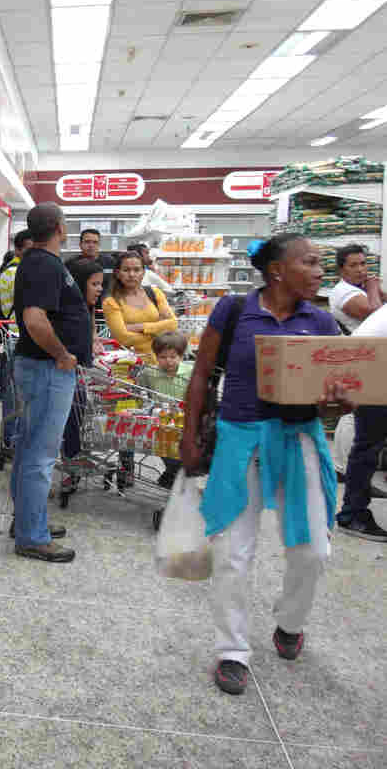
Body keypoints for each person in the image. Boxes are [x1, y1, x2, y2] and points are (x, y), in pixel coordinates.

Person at [179, 234, 350, 696]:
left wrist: (339, 402)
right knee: (234, 553)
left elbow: (338, 401)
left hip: (299, 441)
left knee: (314, 549)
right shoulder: (234, 312)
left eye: (321, 264)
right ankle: (232, 650)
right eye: (311, 262)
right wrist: (188, 434)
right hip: (241, 442)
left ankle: (290, 622)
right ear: (278, 270)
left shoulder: (321, 322)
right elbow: (200, 377)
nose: (320, 272)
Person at [10, 203, 89, 563]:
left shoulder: (38, 262)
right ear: (60, 227)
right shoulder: (43, 263)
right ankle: (31, 536)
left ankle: (28, 521)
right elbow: (35, 320)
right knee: (40, 456)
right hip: (47, 369)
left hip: (39, 367)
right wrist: (62, 354)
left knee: (29, 449)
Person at [102, 250, 179, 487]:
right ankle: (126, 469)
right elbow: (121, 335)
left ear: (143, 271)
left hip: (159, 368)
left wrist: (141, 327)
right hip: (129, 370)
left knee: (164, 420)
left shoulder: (153, 293)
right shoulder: (111, 302)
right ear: (117, 273)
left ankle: (172, 469)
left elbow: (173, 324)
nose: (132, 274)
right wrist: (156, 327)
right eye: (126, 269)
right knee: (129, 419)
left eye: (137, 269)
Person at [337, 304, 387, 541]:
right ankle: (352, 515)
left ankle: (355, 505)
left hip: (369, 363)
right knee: (369, 445)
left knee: (369, 444)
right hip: (368, 368)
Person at [58, 257, 106, 495]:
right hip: (64, 375)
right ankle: (71, 462)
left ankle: (72, 460)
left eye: (101, 284)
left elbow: (90, 335)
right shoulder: (69, 313)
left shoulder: (85, 307)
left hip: (74, 374)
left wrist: (95, 343)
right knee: (74, 414)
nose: (99, 289)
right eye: (94, 284)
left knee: (77, 413)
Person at [0, 229, 36, 459]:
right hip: (17, 338)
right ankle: (12, 441)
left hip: (15, 337)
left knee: (15, 393)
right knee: (15, 395)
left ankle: (13, 439)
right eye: (29, 249)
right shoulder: (16, 272)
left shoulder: (11, 270)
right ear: (19, 249)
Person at [138, 330, 191, 489]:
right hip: (160, 420)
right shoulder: (150, 373)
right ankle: (172, 472)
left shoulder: (189, 372)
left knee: (180, 451)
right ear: (156, 356)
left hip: (184, 420)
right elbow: (140, 389)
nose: (168, 361)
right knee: (164, 449)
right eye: (163, 357)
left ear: (181, 356)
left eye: (173, 357)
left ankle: (172, 473)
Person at [327, 244, 383, 333]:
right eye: (353, 265)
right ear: (341, 270)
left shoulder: (362, 286)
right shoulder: (342, 290)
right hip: (366, 345)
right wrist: (373, 288)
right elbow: (379, 318)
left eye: (363, 264)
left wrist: (379, 292)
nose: (360, 269)